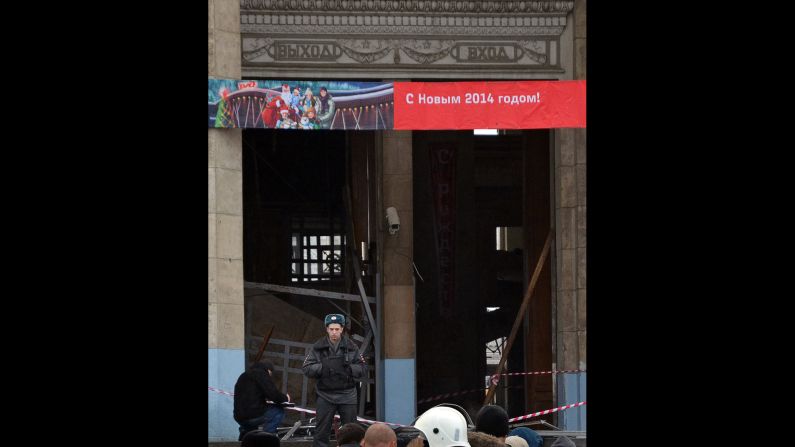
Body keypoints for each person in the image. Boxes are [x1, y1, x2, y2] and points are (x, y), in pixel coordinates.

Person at [302, 313, 367, 447]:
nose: (334, 332)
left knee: (351, 431)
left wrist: (348, 369)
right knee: (321, 432)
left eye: (337, 329)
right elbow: (307, 368)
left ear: (342, 329)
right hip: (325, 395)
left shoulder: (351, 346)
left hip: (347, 395)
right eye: (331, 329)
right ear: (326, 329)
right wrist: (324, 367)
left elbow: (362, 368)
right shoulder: (318, 347)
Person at [234, 360, 291, 441]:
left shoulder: (244, 375)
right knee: (278, 412)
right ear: (268, 370)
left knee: (249, 428)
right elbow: (273, 394)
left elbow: (252, 395)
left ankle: (243, 440)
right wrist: (286, 398)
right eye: (270, 375)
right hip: (252, 414)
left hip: (239, 416)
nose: (270, 377)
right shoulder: (261, 374)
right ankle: (266, 439)